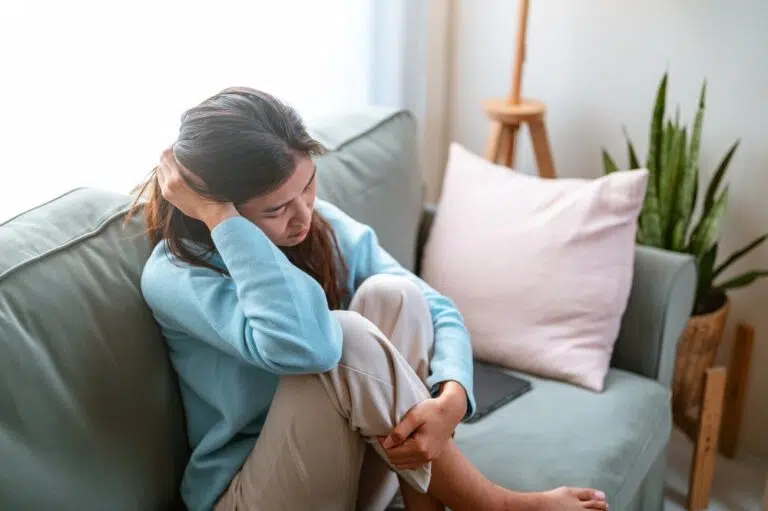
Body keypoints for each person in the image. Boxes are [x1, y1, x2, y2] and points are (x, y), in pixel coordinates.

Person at [131, 87, 608, 511]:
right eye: (276, 209)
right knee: (346, 335)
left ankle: (426, 499)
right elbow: (306, 346)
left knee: (394, 296)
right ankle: (492, 504)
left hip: (354, 469)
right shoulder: (177, 276)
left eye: (309, 186)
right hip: (251, 493)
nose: (303, 217)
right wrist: (223, 222)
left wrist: (453, 401)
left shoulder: (318, 224)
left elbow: (432, 306)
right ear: (216, 210)